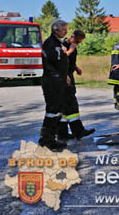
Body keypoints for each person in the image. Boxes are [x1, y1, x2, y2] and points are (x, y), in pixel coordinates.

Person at [58, 30, 96, 140]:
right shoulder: (64, 46)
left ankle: (62, 133)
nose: (78, 44)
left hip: (68, 74)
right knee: (71, 104)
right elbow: (61, 60)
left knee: (65, 106)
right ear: (71, 37)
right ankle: (78, 131)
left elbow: (69, 61)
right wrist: (65, 75)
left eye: (79, 43)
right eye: (77, 41)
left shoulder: (71, 46)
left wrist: (76, 67)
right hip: (65, 77)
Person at [39, 19, 69, 151]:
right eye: (64, 29)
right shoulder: (50, 43)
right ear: (56, 30)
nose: (66, 31)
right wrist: (58, 78)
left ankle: (51, 138)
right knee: (52, 110)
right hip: (52, 82)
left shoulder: (58, 43)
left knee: (57, 110)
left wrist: (65, 76)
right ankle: (47, 140)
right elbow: (52, 62)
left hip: (59, 81)